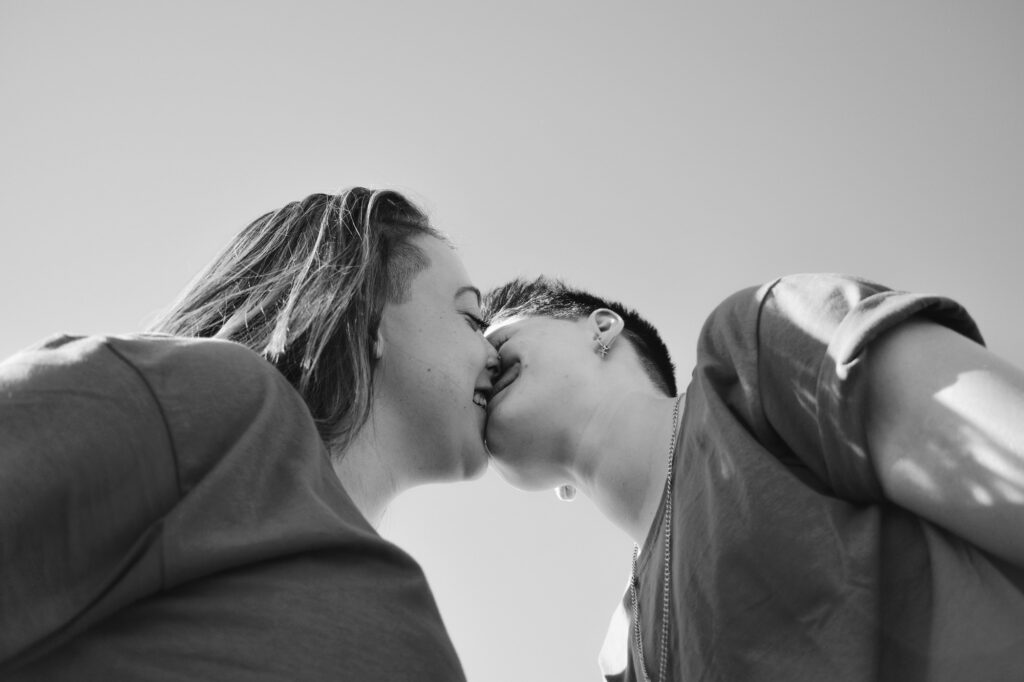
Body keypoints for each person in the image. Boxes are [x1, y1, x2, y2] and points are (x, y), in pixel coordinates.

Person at [0, 187, 498, 680]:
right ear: (368, 312)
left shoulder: (407, 615)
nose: (495, 356)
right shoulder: (216, 403)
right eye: (472, 318)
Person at [482, 273, 1024, 681]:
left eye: (492, 337)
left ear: (601, 327)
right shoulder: (622, 658)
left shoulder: (751, 353)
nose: (477, 362)